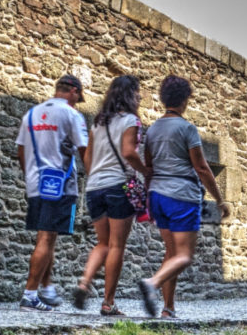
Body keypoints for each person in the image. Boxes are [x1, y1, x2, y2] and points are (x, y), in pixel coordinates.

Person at [137, 75, 230, 319]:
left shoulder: (153, 128)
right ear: (185, 100)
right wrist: (220, 200)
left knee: (171, 255)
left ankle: (168, 309)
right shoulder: (187, 128)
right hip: (182, 196)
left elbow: (149, 164)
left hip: (158, 195)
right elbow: (201, 167)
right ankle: (152, 284)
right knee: (184, 255)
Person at [74, 75, 150, 316]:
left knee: (103, 243)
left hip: (95, 187)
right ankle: (108, 302)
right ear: (130, 95)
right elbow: (129, 152)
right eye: (138, 92)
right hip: (119, 186)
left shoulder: (97, 123)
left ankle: (84, 283)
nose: (140, 97)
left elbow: (87, 159)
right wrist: (147, 171)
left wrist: (98, 176)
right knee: (117, 245)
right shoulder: (131, 120)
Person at [15, 74, 89, 312]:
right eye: (78, 98)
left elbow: (21, 150)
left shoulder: (32, 114)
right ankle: (30, 294)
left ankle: (46, 288)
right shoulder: (71, 114)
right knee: (47, 238)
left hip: (37, 182)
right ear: (74, 92)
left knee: (47, 237)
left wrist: (31, 176)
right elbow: (84, 150)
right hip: (61, 182)